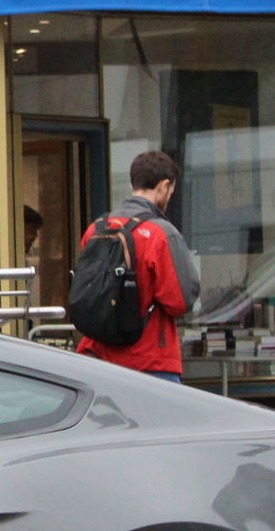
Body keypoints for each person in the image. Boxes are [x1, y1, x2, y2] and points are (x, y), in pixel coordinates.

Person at [73, 149, 202, 379]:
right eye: (171, 190)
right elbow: (180, 301)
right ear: (163, 186)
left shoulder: (97, 229)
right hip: (150, 359)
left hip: (98, 356)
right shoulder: (161, 233)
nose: (170, 197)